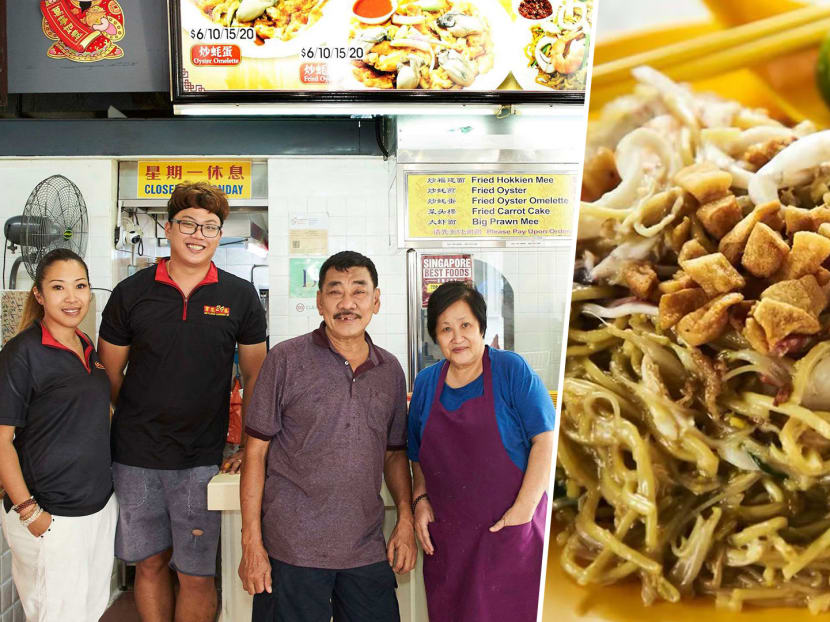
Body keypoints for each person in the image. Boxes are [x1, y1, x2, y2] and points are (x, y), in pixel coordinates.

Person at [98, 182, 267, 622]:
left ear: (219, 233)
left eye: (210, 226)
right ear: (170, 228)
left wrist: (248, 449)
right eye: (189, 223)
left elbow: (255, 378)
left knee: (195, 574)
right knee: (149, 565)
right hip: (136, 455)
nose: (199, 234)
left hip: (201, 457)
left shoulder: (239, 296)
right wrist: (142, 414)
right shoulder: (131, 294)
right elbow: (109, 376)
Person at [239, 250, 416, 622]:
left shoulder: (390, 370)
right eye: (335, 292)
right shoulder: (285, 360)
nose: (347, 303)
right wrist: (251, 542)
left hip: (365, 549)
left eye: (359, 291)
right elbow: (254, 454)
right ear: (319, 301)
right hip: (291, 550)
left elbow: (394, 454)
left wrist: (405, 517)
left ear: (376, 301)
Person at [408, 281, 556, 622]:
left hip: (509, 536)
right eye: (445, 328)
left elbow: (545, 439)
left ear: (482, 328)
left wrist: (523, 509)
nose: (457, 337)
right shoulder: (427, 383)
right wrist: (420, 499)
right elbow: (416, 455)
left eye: (465, 326)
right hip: (451, 544)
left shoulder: (510, 370)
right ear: (435, 336)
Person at [0, 248, 117, 621]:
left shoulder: (86, 346)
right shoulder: (22, 353)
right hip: (50, 512)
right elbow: (1, 440)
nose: (72, 298)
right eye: (58, 287)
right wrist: (28, 510)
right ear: (39, 294)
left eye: (80, 286)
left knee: (88, 611)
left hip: (96, 508)